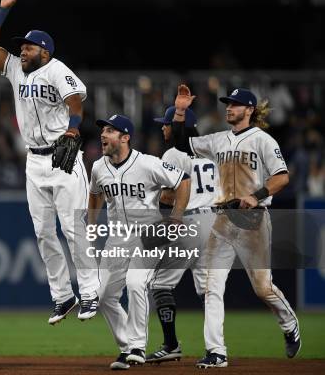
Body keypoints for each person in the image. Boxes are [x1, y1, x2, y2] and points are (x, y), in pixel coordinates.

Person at [0, 0, 100, 324]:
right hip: (35, 160)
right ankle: (63, 296)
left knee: (74, 228)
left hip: (63, 156)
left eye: (29, 47)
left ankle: (90, 291)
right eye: (23, 47)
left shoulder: (57, 68)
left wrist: (73, 128)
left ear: (44, 51)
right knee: (44, 231)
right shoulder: (17, 69)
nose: (23, 51)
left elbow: (76, 103)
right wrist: (3, 8)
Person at [172, 85, 301, 367]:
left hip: (253, 222)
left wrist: (255, 197)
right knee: (212, 287)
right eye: (228, 103)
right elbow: (182, 143)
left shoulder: (263, 140)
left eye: (235, 104)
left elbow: (282, 178)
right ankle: (216, 352)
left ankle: (289, 323)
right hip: (223, 221)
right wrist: (180, 111)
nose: (229, 107)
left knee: (262, 289)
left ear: (250, 110)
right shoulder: (219, 139)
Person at [87, 114, 191, 370]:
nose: (103, 134)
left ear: (125, 137)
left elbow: (184, 181)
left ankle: (137, 346)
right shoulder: (99, 167)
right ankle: (126, 348)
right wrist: (91, 223)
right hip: (117, 237)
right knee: (103, 296)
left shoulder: (147, 164)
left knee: (135, 284)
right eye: (103, 130)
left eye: (110, 131)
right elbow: (95, 194)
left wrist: (176, 216)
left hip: (148, 233)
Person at [145, 107, 220, 364]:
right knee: (209, 292)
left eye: (167, 124)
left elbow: (168, 195)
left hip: (188, 221)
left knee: (160, 284)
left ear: (178, 127)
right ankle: (216, 350)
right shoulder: (210, 151)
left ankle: (171, 344)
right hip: (214, 222)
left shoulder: (174, 153)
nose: (163, 128)